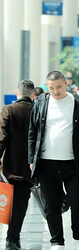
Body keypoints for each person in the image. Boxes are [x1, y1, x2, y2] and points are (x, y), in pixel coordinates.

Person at [28, 71, 79, 249]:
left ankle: (78, 236)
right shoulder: (41, 102)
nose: (55, 91)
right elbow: (32, 133)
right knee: (51, 204)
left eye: (58, 87)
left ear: (66, 84)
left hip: (73, 163)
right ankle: (56, 240)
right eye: (51, 88)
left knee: (77, 200)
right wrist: (31, 159)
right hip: (46, 163)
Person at [0, 80, 36, 250]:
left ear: (17, 93)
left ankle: (12, 238)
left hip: (10, 167)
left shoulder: (8, 110)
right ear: (33, 94)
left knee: (9, 203)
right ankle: (13, 238)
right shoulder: (37, 110)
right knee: (21, 204)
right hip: (30, 168)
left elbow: (1, 138)